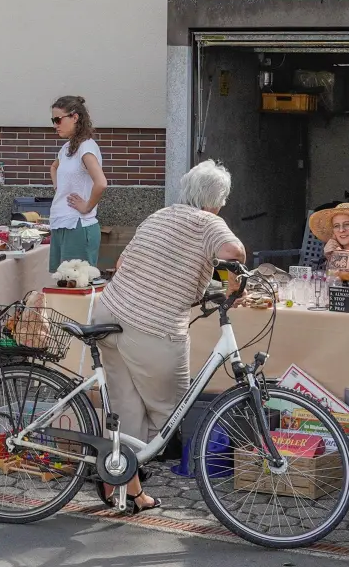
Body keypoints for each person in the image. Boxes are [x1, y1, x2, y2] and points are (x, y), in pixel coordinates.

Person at [94, 160, 247, 512]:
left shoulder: (160, 216)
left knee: (123, 410)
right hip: (151, 328)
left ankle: (121, 488)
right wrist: (236, 282)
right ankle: (131, 475)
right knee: (170, 412)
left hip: (108, 311)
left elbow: (122, 266)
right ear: (217, 200)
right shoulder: (209, 221)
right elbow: (233, 252)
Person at [47, 95, 107, 273]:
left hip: (78, 225)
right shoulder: (66, 148)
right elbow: (53, 167)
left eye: (58, 119)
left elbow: (101, 183)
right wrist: (60, 190)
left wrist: (87, 206)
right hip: (61, 223)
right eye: (53, 120)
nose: (55, 125)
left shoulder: (86, 147)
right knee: (61, 284)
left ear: (75, 117)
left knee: (76, 285)